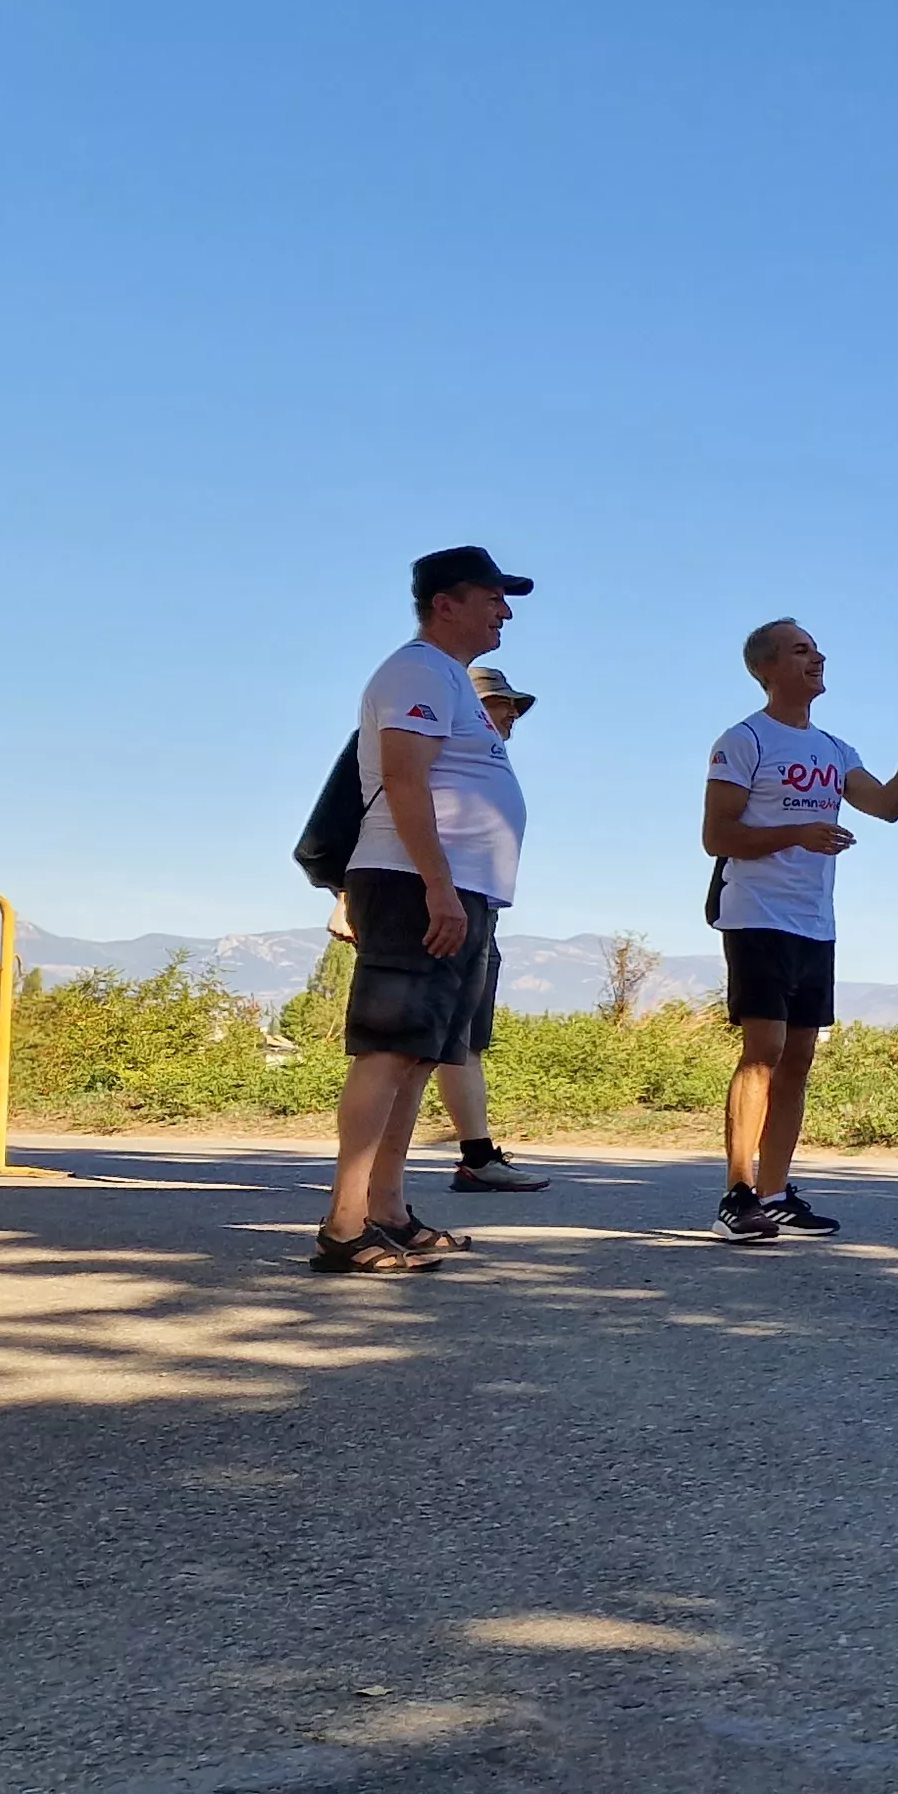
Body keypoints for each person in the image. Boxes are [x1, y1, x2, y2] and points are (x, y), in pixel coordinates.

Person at [314, 546, 533, 1276]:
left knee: (416, 1058)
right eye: (494, 596)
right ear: (447, 602)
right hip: (412, 882)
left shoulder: (447, 679)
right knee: (388, 1052)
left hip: (451, 886)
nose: (505, 610)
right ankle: (345, 1224)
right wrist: (437, 884)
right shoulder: (415, 670)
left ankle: (388, 1212)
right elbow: (405, 780)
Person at [700, 619, 898, 1243]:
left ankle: (775, 1193)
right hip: (757, 914)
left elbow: (886, 806)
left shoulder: (836, 750)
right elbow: (718, 836)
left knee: (799, 1059)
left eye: (815, 649)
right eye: (800, 650)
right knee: (761, 1053)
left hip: (814, 922)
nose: (817, 657)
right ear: (766, 669)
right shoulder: (744, 739)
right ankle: (736, 1196)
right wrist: (797, 834)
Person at [436, 664, 548, 1194]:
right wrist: (344, 893)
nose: (512, 715)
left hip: (477, 905)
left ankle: (477, 1156)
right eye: (503, 704)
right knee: (419, 1040)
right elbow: (376, 804)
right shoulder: (431, 736)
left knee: (463, 1039)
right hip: (439, 900)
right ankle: (370, 1182)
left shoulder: (482, 758)